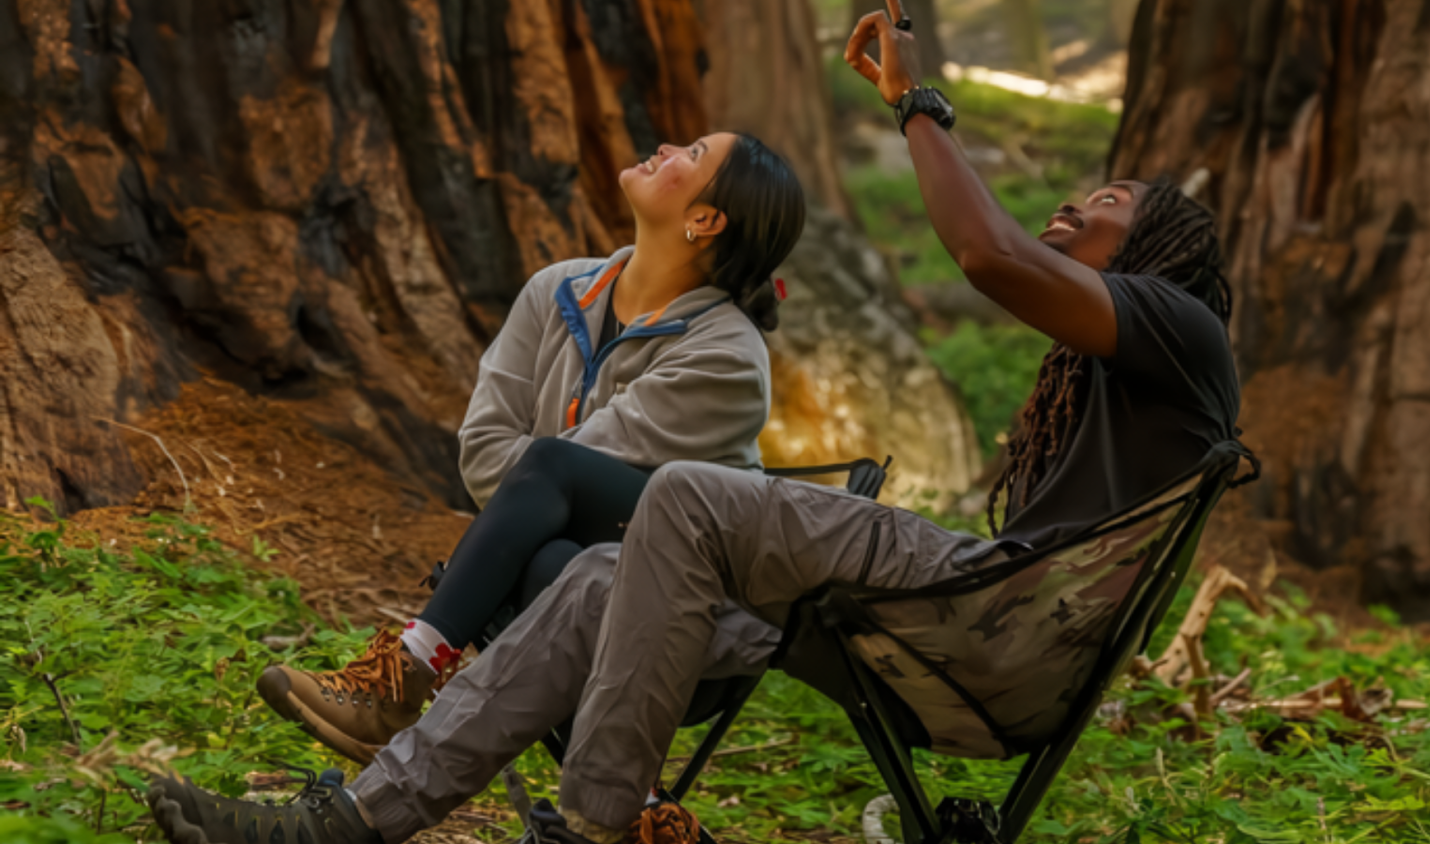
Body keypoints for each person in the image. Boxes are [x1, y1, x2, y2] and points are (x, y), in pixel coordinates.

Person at [146, 5, 1242, 843]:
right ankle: (340, 823)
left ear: (1159, 256)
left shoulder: (1183, 331)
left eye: (1104, 207)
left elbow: (989, 256)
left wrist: (921, 103)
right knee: (594, 576)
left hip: (994, 613)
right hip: (990, 629)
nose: (1073, 207)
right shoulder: (1130, 366)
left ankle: (600, 821)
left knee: (682, 492)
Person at [252, 131, 805, 765]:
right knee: (556, 563)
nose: (667, 145)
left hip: (692, 632)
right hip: (571, 588)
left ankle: (406, 675)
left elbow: (557, 474)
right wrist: (534, 500)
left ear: (704, 219)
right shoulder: (557, 291)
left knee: (552, 475)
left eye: (695, 153)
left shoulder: (727, 357)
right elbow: (484, 453)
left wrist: (535, 494)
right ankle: (630, 806)